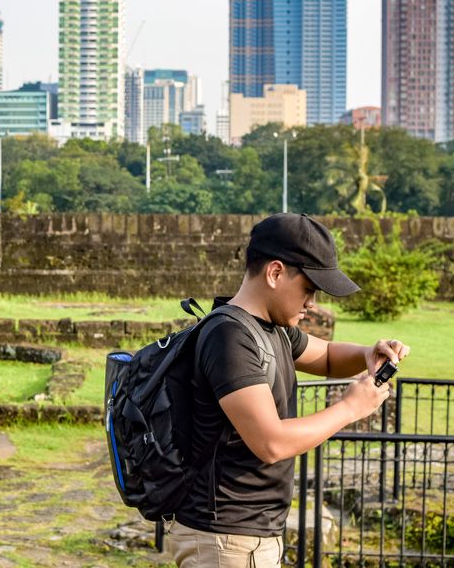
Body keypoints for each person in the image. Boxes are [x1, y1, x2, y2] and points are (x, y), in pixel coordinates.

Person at [167, 213, 410, 567]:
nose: (311, 303)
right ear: (275, 272)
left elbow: (325, 356)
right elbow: (271, 442)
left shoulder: (270, 327)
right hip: (226, 539)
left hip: (246, 536)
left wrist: (366, 354)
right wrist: (350, 408)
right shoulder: (231, 337)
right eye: (309, 288)